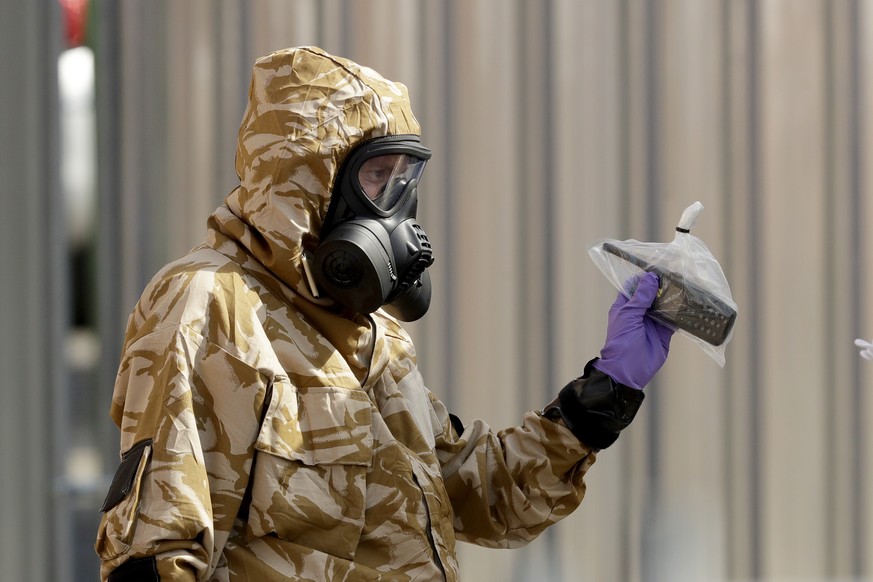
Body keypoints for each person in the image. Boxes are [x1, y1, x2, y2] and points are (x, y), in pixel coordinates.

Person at [94, 46, 674, 581]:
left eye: (404, 179)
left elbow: (483, 500)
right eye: (377, 177)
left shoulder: (370, 334)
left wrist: (606, 390)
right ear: (307, 183)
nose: (396, 208)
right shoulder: (208, 305)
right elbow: (155, 554)